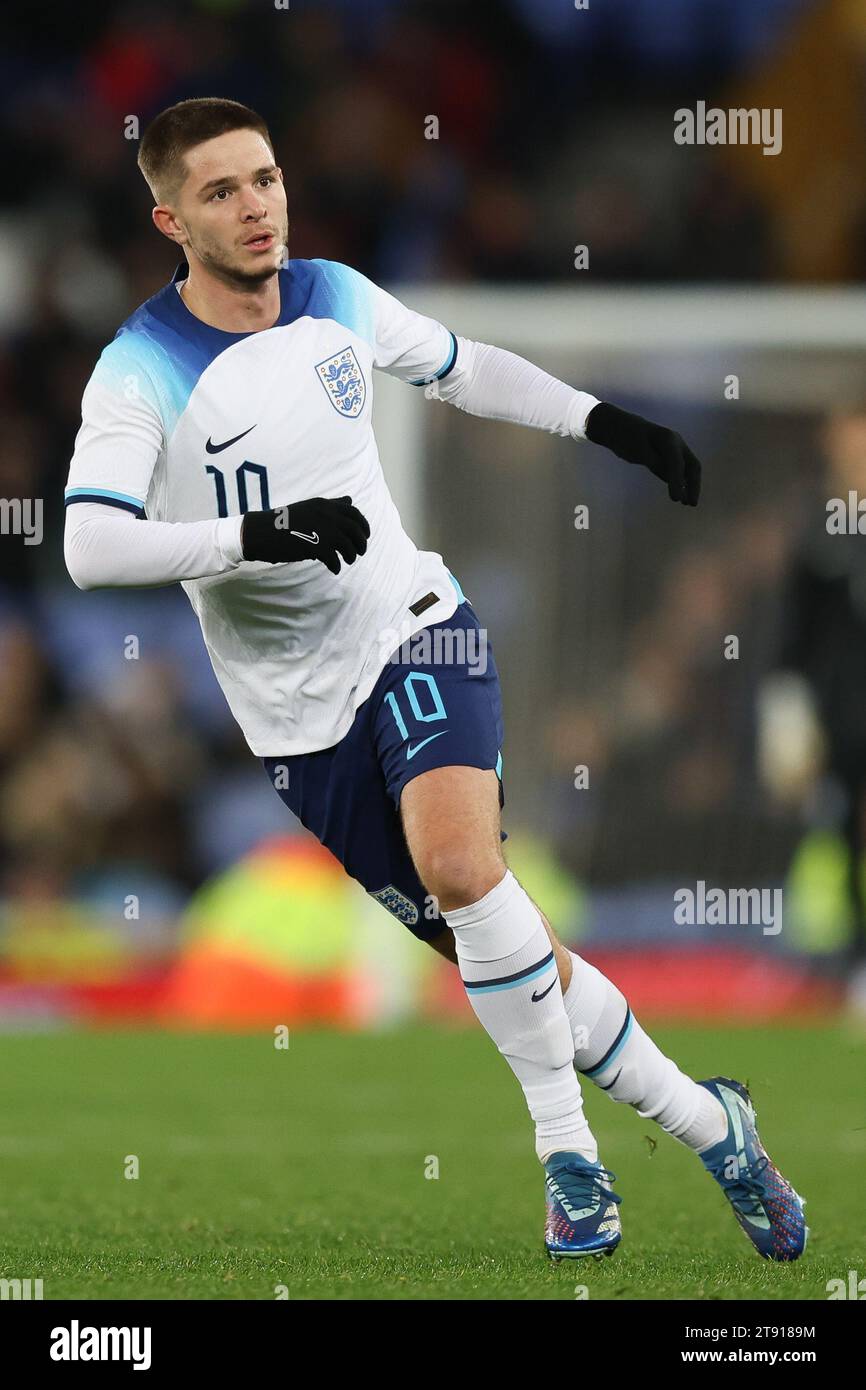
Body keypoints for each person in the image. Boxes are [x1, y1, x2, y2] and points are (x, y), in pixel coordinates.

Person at [63, 97, 805, 1262]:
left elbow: (463, 370)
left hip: (416, 625)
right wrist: (250, 538)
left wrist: (602, 422)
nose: (256, 206)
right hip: (296, 728)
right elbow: (89, 547)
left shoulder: (337, 296)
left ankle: (567, 1162)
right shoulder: (141, 370)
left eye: (264, 178)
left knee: (464, 865)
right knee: (511, 958)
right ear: (169, 218)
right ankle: (716, 1127)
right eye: (220, 192)